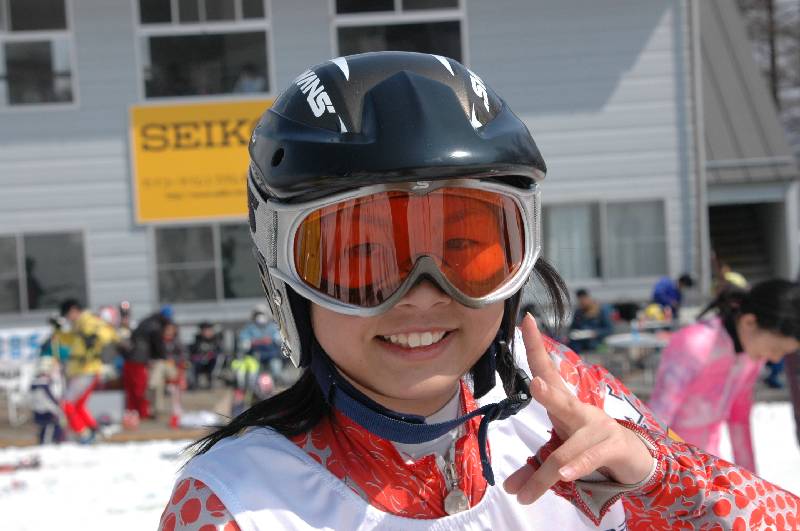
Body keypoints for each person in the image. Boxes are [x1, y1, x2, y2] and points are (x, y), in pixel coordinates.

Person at [160, 52, 800, 530]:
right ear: (289, 279)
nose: (421, 295)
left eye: (466, 252)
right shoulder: (238, 504)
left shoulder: (562, 404)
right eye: (362, 259)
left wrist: (659, 480)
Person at [648, 280, 800, 473]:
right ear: (749, 322)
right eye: (776, 348)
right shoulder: (695, 344)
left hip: (707, 464)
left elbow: (739, 420)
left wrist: (749, 481)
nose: (775, 358)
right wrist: (657, 475)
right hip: (670, 463)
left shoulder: (751, 357)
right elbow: (657, 419)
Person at [58, 298, 118, 443]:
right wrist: (57, 330)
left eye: (67, 315)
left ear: (73, 311)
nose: (67, 318)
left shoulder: (88, 320)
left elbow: (108, 333)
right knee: (78, 406)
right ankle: (93, 431)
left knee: (66, 404)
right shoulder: (78, 325)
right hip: (80, 370)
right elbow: (69, 340)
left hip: (86, 370)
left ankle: (83, 434)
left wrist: (94, 337)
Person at [131, 306, 171, 418]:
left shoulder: (149, 322)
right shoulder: (155, 326)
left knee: (156, 381)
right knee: (154, 383)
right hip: (145, 360)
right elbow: (158, 347)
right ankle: (153, 409)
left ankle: (155, 407)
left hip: (142, 358)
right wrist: (163, 357)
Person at [237, 305, 283, 382]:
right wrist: (251, 342)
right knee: (253, 374)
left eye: (262, 314)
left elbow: (279, 338)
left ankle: (276, 383)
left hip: (271, 355)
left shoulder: (273, 327)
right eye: (257, 314)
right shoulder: (249, 328)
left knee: (276, 368)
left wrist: (272, 340)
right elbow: (243, 340)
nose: (260, 317)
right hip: (255, 356)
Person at [29, 355, 65, 445]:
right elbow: (48, 401)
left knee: (46, 431)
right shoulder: (43, 384)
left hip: (43, 411)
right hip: (46, 412)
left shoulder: (37, 382)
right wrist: (57, 410)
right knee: (50, 432)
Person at [567, 288, 614, 353]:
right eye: (580, 300)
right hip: (580, 342)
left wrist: (596, 333)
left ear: (588, 298)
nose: (582, 302)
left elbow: (609, 329)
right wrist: (576, 333)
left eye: (584, 299)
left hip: (596, 343)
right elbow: (572, 328)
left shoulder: (600, 311)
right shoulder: (578, 313)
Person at [189, 322, 223, 390]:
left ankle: (211, 381)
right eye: (205, 330)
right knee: (193, 364)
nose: (207, 332)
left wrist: (211, 355)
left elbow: (220, 352)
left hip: (211, 364)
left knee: (216, 359)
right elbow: (193, 352)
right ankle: (195, 384)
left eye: (209, 330)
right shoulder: (197, 340)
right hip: (199, 363)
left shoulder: (216, 340)